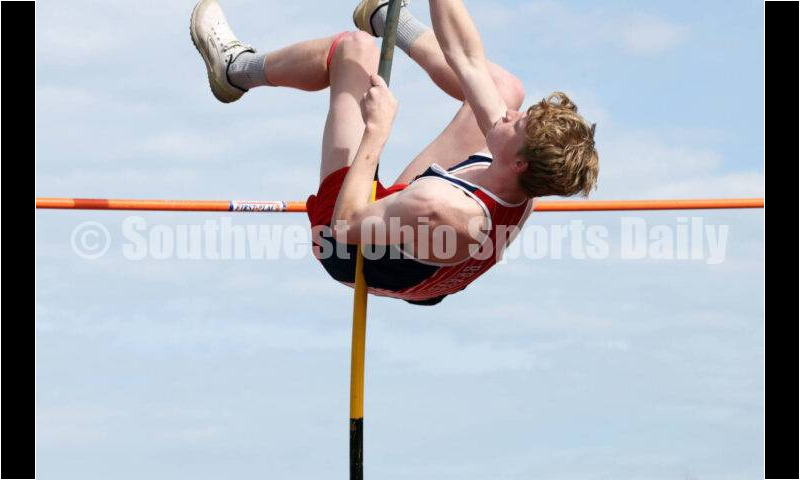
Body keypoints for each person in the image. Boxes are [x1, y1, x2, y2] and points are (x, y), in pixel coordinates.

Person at [191, 0, 599, 305]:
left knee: (354, 50)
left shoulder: (440, 208)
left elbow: (346, 224)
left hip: (348, 245)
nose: (507, 116)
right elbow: (466, 57)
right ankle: (389, 19)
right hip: (419, 238)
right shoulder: (520, 178)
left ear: (519, 161)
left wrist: (376, 131)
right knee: (503, 84)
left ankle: (233, 70)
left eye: (516, 123)